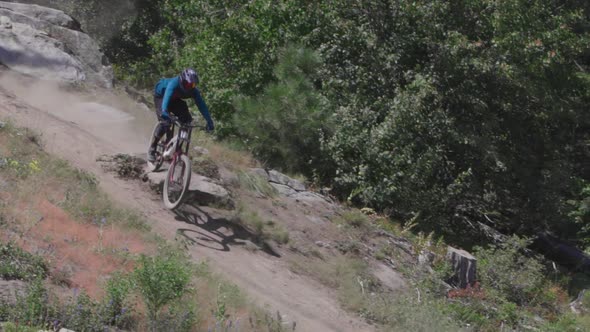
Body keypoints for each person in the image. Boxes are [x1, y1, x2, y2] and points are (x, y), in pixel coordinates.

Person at [148, 68, 214, 162]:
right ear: (182, 80)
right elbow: (167, 97)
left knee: (187, 122)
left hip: (175, 99)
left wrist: (209, 121)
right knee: (165, 122)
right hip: (161, 96)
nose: (190, 87)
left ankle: (175, 147)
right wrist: (164, 111)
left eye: (193, 84)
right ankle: (152, 148)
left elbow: (202, 106)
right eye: (188, 84)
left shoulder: (193, 91)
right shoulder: (174, 83)